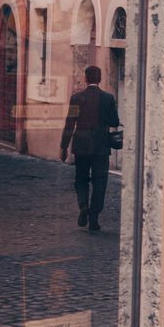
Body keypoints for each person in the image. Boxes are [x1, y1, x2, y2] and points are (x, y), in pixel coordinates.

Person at [60, 65, 120, 232]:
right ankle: (94, 217)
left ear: (86, 78)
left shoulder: (76, 98)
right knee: (100, 182)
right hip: (101, 147)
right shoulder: (108, 98)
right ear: (99, 79)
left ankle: (83, 205)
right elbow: (114, 121)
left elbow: (69, 123)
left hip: (81, 146)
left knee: (81, 178)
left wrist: (64, 146)